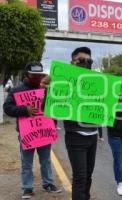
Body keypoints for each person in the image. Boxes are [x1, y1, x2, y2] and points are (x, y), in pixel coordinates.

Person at [3, 62, 61, 199]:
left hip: (44, 132)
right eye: (33, 75)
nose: (36, 78)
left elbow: (56, 107)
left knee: (46, 160)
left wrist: (48, 98)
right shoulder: (17, 90)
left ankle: (48, 184)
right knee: (26, 162)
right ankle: (27, 188)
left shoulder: (48, 89)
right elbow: (7, 108)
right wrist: (24, 109)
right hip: (27, 133)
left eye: (39, 75)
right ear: (27, 75)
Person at [52, 47, 98, 200]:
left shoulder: (97, 81)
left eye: (89, 61)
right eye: (82, 60)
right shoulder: (63, 80)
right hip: (75, 136)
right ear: (72, 62)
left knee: (88, 176)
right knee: (80, 177)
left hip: (93, 135)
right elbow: (53, 105)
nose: (86, 63)